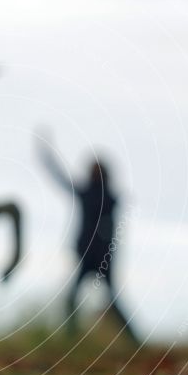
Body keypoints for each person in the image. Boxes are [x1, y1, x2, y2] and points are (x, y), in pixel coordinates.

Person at [36, 130, 136, 341]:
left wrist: (106, 251)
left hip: (99, 256)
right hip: (90, 254)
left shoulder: (104, 197)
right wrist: (46, 155)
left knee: (105, 300)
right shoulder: (96, 194)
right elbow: (59, 176)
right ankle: (73, 338)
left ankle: (133, 341)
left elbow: (112, 229)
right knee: (80, 299)